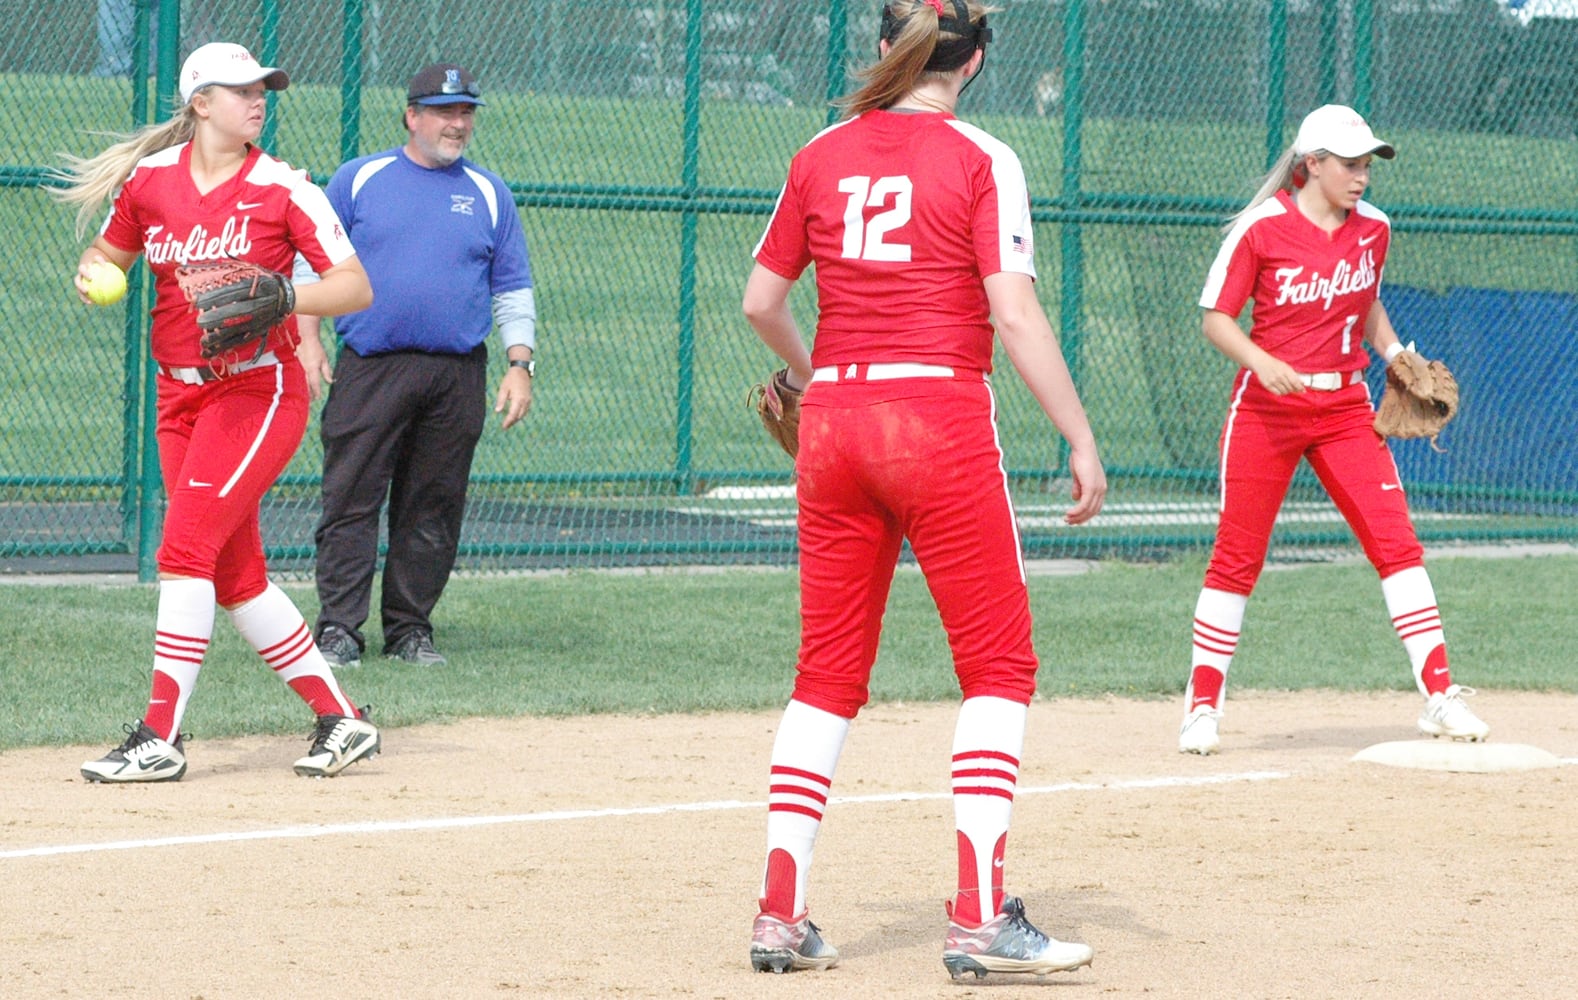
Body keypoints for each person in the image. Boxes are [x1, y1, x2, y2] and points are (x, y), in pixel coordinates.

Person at [741, 0, 1106, 980]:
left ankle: (781, 914)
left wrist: (820, 375)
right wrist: (1079, 436)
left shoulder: (822, 151)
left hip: (837, 425)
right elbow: (1015, 314)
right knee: (997, 666)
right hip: (936, 419)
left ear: (886, 48)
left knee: (825, 675)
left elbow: (761, 301)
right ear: (976, 61)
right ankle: (980, 917)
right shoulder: (982, 157)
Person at [54, 41, 381, 782]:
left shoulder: (283, 189)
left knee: (184, 553)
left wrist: (288, 296)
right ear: (200, 103)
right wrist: (92, 272)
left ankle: (159, 735)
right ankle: (343, 720)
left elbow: (356, 286)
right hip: (178, 395)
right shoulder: (150, 183)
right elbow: (109, 255)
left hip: (256, 390)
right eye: (240, 89)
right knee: (234, 576)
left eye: (263, 87)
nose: (258, 98)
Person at [1176, 104, 1491, 755]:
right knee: (1238, 557)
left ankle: (1440, 695)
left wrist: (1396, 354)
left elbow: (1366, 301)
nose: (1362, 177)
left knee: (1397, 544)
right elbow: (1217, 318)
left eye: (1368, 164)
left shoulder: (1374, 229)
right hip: (1266, 410)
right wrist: (1264, 361)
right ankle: (1202, 706)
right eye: (1350, 164)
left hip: (1345, 409)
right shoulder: (1263, 230)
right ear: (1311, 164)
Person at [303, 62, 536, 670]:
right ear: (412, 116)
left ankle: (410, 629)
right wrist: (307, 339)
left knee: (432, 505)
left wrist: (519, 363)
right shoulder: (360, 179)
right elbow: (313, 266)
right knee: (350, 500)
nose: (456, 123)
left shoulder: (488, 192)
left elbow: (511, 286)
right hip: (372, 366)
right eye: (443, 111)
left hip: (455, 372)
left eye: (465, 112)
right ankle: (339, 631)